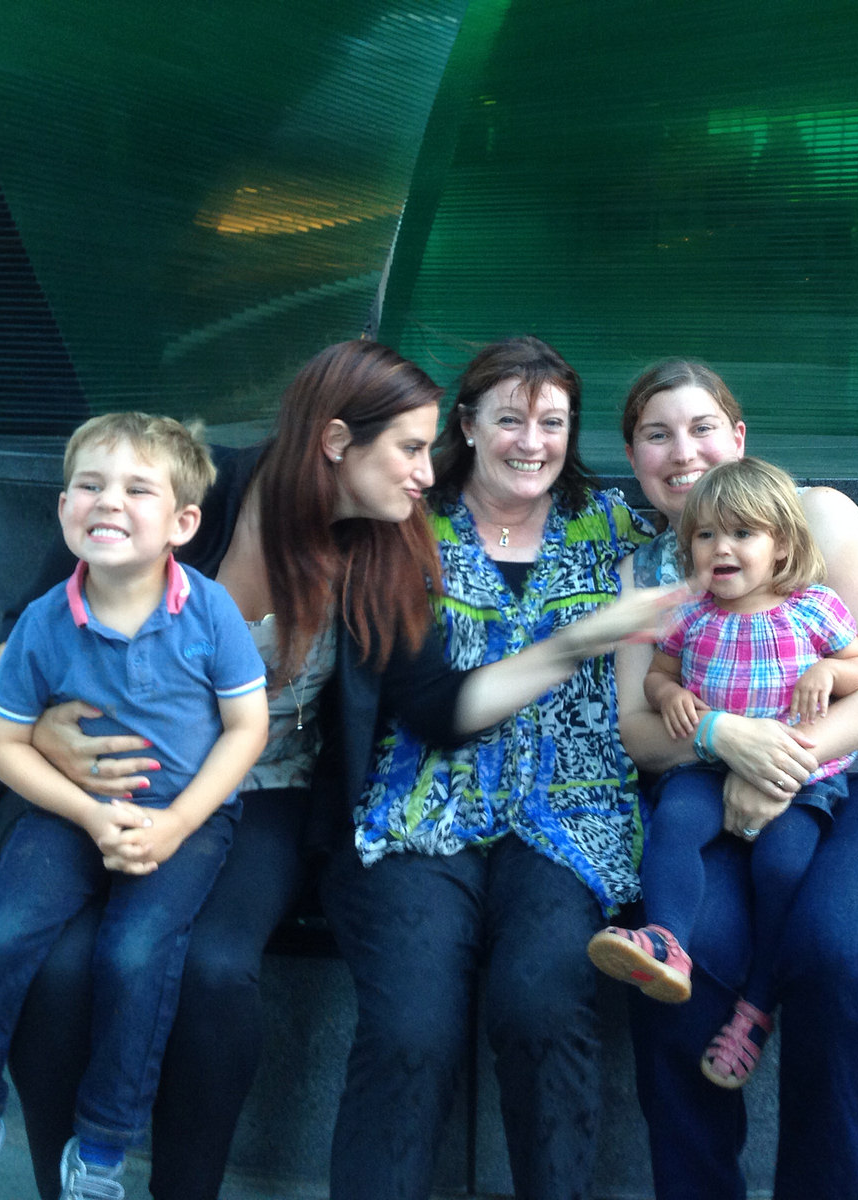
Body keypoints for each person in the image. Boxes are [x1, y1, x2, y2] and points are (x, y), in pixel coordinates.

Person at [0, 340, 675, 1200]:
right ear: (338, 442)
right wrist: (44, 730)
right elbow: (21, 636)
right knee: (51, 965)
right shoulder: (190, 488)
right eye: (412, 448)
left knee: (211, 969)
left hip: (259, 791)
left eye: (552, 422)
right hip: (96, 775)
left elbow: (439, 704)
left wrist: (587, 638)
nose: (428, 472)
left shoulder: (386, 546)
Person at [614, 361, 858, 1200]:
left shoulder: (818, 517)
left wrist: (782, 763)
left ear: (738, 438)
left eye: (702, 428)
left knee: (838, 949)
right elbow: (639, 729)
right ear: (634, 460)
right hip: (716, 788)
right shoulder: (645, 577)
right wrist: (723, 737)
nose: (683, 451)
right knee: (687, 959)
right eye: (658, 435)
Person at [325, 336, 655, 1200]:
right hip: (421, 806)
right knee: (410, 1028)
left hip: (572, 811)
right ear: (467, 425)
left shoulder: (614, 527)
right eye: (510, 419)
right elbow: (433, 710)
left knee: (541, 1002)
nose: (532, 442)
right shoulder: (407, 529)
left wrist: (835, 599)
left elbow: (734, 549)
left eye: (553, 422)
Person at [0, 414, 271, 1200]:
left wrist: (177, 823)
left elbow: (248, 727)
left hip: (185, 820)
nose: (108, 500)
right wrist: (86, 811)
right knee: (0, 931)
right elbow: (2, 743)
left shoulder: (209, 611)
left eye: (138, 488)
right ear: (64, 507)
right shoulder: (46, 621)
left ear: (183, 522)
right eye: (90, 485)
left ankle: (102, 1150)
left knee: (135, 954)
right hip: (70, 813)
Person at [588, 457, 858, 1091]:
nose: (722, 548)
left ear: (782, 548)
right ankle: (666, 941)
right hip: (709, 762)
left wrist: (828, 671)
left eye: (743, 533)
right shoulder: (691, 616)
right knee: (674, 823)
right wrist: (668, 695)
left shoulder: (813, 608)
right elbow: (660, 674)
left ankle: (758, 1002)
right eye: (706, 535)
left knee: (783, 864)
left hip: (796, 777)